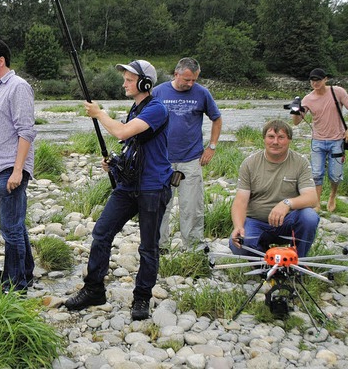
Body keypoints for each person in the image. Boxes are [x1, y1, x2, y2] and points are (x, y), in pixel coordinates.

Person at [64, 60, 173, 321]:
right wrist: (115, 165)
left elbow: (122, 132)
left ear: (145, 83)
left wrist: (99, 114)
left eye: (129, 79)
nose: (123, 82)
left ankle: (142, 298)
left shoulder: (157, 109)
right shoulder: (135, 109)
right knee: (101, 232)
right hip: (128, 186)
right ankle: (94, 289)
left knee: (148, 247)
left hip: (153, 187)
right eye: (124, 78)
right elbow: (132, 145)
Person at [0, 38, 37, 293]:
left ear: (1, 61)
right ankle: (25, 273)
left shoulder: (18, 87)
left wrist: (17, 170)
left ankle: (15, 286)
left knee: (11, 230)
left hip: (10, 168)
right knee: (14, 225)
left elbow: (26, 132)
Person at [152, 57, 222, 248]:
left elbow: (217, 119)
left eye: (194, 80)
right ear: (176, 74)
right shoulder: (158, 92)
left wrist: (212, 147)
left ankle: (192, 247)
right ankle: (159, 247)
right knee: (160, 206)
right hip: (162, 160)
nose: (191, 84)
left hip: (191, 159)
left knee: (191, 207)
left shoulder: (202, 93)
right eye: (187, 80)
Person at [229, 120, 319, 258]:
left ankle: (298, 260)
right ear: (264, 139)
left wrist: (286, 204)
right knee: (239, 245)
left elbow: (312, 198)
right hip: (257, 222)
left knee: (310, 217)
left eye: (281, 137)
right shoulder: (250, 163)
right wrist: (238, 226)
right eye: (271, 137)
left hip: (288, 222)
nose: (275, 142)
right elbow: (240, 201)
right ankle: (266, 261)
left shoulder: (300, 163)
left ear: (289, 140)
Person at [291, 68, 348, 212]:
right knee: (316, 173)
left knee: (335, 175)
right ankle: (316, 202)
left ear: (325, 79)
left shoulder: (338, 92)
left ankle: (332, 196)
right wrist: (295, 109)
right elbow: (296, 122)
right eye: (312, 80)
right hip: (318, 140)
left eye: (318, 80)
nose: (315, 83)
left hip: (337, 140)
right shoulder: (308, 98)